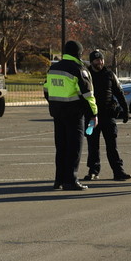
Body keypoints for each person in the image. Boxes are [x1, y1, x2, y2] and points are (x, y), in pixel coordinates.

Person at [44, 40, 97, 191]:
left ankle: (58, 180)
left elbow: (46, 89)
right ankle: (71, 180)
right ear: (79, 53)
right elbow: (88, 95)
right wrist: (94, 113)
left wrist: (54, 104)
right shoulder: (79, 69)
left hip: (57, 113)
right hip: (74, 113)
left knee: (61, 147)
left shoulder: (53, 68)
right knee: (74, 147)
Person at [83, 50, 131, 181]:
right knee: (93, 146)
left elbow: (119, 93)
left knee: (112, 145)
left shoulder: (109, 74)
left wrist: (125, 110)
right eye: (97, 60)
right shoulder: (86, 75)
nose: (100, 62)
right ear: (92, 61)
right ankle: (93, 171)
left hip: (108, 116)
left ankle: (118, 171)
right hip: (91, 117)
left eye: (101, 60)